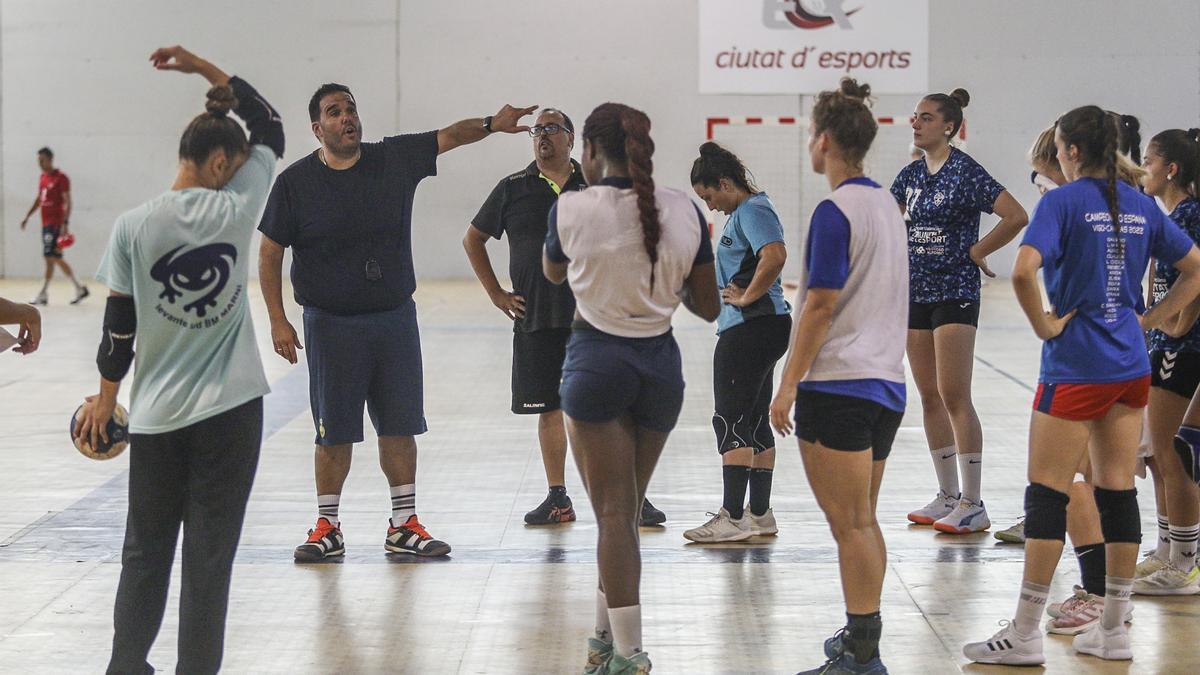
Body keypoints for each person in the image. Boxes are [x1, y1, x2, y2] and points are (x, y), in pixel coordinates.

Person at [258, 81, 537, 561]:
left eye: (351, 108)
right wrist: (278, 319)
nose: (347, 117)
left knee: (400, 424)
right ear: (316, 128)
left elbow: (448, 136)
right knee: (334, 429)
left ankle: (403, 524)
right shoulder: (295, 183)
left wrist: (493, 124)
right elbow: (269, 252)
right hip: (330, 323)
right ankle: (327, 527)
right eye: (334, 112)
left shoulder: (391, 159)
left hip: (392, 320)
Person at [964, 105, 1200, 666]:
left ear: (1069, 151)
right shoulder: (1141, 203)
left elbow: (1023, 270)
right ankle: (1114, 628)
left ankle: (1023, 633)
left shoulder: (1063, 202)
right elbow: (1196, 268)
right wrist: (1149, 319)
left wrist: (1044, 324)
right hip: (1130, 368)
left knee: (1047, 493)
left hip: (1074, 365)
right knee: (1118, 491)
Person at [74, 46, 283, 674]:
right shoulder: (236, 207)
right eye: (237, 165)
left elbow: (120, 326)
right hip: (231, 414)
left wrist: (107, 402)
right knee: (209, 561)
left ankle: (125, 666)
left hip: (159, 420)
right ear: (221, 162)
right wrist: (207, 71)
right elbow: (271, 124)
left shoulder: (133, 226)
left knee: (145, 552)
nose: (241, 172)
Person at [542, 102, 719, 674]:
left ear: (590, 152)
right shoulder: (685, 208)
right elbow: (709, 305)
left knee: (614, 516)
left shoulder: (571, 207)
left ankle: (628, 654)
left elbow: (551, 271)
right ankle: (601, 637)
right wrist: (666, 277)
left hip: (596, 365)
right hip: (661, 369)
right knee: (624, 513)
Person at [769, 77, 908, 675]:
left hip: (839, 386)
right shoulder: (886, 205)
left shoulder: (835, 209)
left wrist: (788, 382)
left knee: (850, 525)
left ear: (823, 141)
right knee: (862, 521)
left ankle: (860, 655)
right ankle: (861, 640)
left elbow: (822, 305)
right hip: (887, 385)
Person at [893, 88, 1029, 534]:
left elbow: (1015, 215)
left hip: (955, 292)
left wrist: (977, 250)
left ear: (949, 127)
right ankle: (947, 494)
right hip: (917, 293)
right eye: (915, 117)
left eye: (926, 118)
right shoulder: (909, 177)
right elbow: (890, 227)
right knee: (929, 395)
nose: (916, 123)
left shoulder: (966, 172)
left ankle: (974, 501)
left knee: (954, 394)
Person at [464, 108, 587, 524]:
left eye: (551, 129)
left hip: (592, 320)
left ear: (572, 138)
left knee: (609, 409)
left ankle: (632, 497)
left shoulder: (596, 188)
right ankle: (558, 498)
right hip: (536, 317)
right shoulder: (512, 188)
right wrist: (496, 293)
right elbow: (473, 239)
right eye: (536, 131)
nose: (542, 136)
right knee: (549, 409)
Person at [684, 141, 791, 543]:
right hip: (762, 327)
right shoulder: (745, 213)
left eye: (710, 196)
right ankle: (759, 515)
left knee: (729, 419)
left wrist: (746, 297)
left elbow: (776, 255)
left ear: (726, 183)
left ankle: (731, 516)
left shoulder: (753, 210)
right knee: (754, 420)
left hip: (751, 327)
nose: (710, 205)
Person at [1134, 127, 1200, 595]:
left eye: (1148, 160)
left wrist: (1163, 323)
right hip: (1168, 343)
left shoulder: (1190, 214)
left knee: (1173, 453)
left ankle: (1185, 563)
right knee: (1159, 456)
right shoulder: (1170, 214)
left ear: (1171, 168)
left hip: (1186, 347)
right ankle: (1166, 548)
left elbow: (1195, 279)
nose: (1142, 169)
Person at [20, 146, 89, 305]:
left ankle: (44, 293)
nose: (40, 163)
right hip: (45, 224)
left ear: (50, 159)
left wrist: (65, 223)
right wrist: (27, 216)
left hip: (55, 224)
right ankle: (79, 288)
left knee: (49, 257)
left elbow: (68, 201)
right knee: (55, 257)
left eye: (42, 160)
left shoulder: (61, 178)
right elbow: (39, 199)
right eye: (38, 161)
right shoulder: (42, 177)